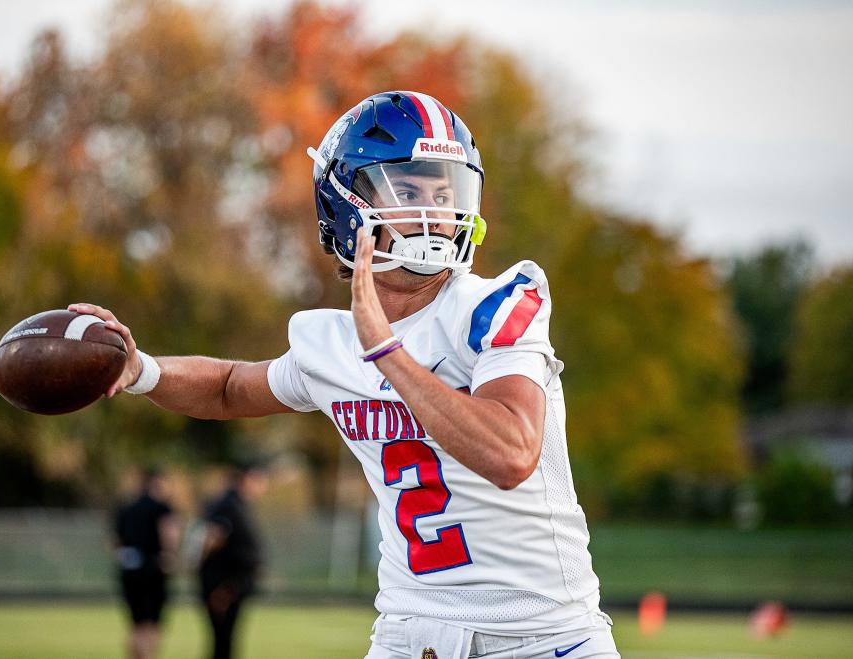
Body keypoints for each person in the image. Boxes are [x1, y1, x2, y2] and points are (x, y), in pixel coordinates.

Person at [74, 90, 619, 659]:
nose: (434, 211)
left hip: (542, 633)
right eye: (407, 190)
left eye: (445, 191)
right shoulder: (330, 343)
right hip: (411, 629)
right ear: (346, 204)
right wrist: (140, 370)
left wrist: (386, 349)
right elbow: (229, 387)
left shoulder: (498, 305)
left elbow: (511, 453)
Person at [198, 461, 268, 659]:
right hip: (223, 585)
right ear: (246, 478)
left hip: (233, 584)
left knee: (227, 640)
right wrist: (219, 587)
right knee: (222, 640)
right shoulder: (229, 505)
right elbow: (212, 539)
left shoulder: (240, 504)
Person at [114, 468, 180, 659]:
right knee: (152, 623)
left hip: (129, 570)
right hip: (153, 570)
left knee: (136, 624)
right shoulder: (162, 508)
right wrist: (170, 556)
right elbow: (169, 531)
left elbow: (114, 542)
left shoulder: (126, 508)